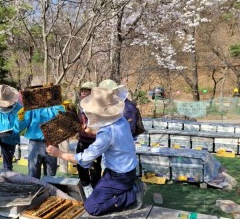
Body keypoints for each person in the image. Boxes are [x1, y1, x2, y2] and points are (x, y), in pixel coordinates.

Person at [46, 87, 146, 216]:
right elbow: (110, 134)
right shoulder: (121, 120)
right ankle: (128, 188)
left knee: (92, 207)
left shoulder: (107, 133)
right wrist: (90, 130)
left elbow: (84, 158)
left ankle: (133, 193)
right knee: (97, 194)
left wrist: (58, 153)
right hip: (122, 170)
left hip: (120, 176)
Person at [16, 82, 71, 179]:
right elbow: (19, 128)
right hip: (35, 143)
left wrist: (66, 110)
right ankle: (34, 193)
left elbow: (65, 122)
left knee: (50, 174)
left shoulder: (56, 107)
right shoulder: (30, 110)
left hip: (51, 142)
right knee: (33, 175)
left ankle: (50, 193)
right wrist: (20, 118)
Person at [76, 82, 102, 198]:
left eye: (86, 91)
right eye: (82, 91)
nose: (82, 93)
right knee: (80, 165)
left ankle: (96, 189)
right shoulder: (80, 106)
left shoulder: (98, 106)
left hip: (95, 141)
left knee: (95, 168)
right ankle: (85, 186)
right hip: (82, 140)